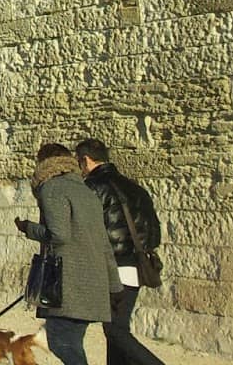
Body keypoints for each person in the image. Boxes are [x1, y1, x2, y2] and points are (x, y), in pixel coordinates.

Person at [15, 142, 121, 365]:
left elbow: (59, 235)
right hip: (93, 283)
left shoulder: (51, 188)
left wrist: (28, 228)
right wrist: (113, 286)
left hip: (69, 285)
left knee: (61, 340)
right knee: (71, 340)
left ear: (44, 163)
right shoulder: (86, 191)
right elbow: (103, 242)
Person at [75, 139, 169, 365]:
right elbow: (154, 233)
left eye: (80, 162)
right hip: (137, 267)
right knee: (116, 329)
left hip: (114, 268)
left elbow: (86, 232)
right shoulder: (136, 188)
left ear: (86, 160)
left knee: (115, 330)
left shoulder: (91, 188)